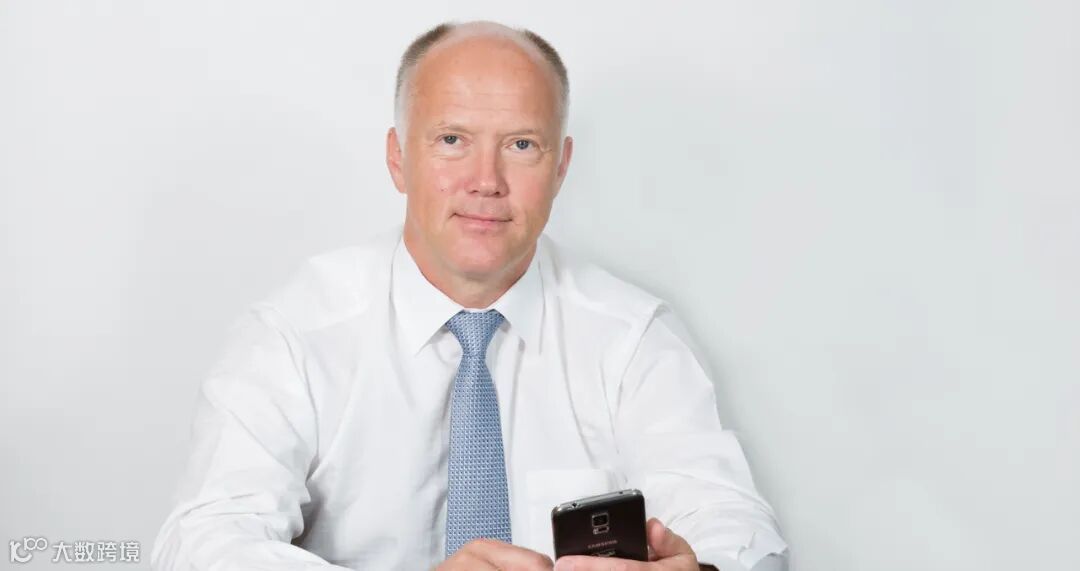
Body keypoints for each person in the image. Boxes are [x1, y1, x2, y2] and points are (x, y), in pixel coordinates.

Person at [151, 20, 788, 571]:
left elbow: (738, 529)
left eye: (521, 145)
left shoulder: (631, 337)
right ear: (398, 159)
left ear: (561, 167)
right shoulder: (294, 334)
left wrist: (699, 568)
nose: (486, 181)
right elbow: (202, 542)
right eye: (452, 140)